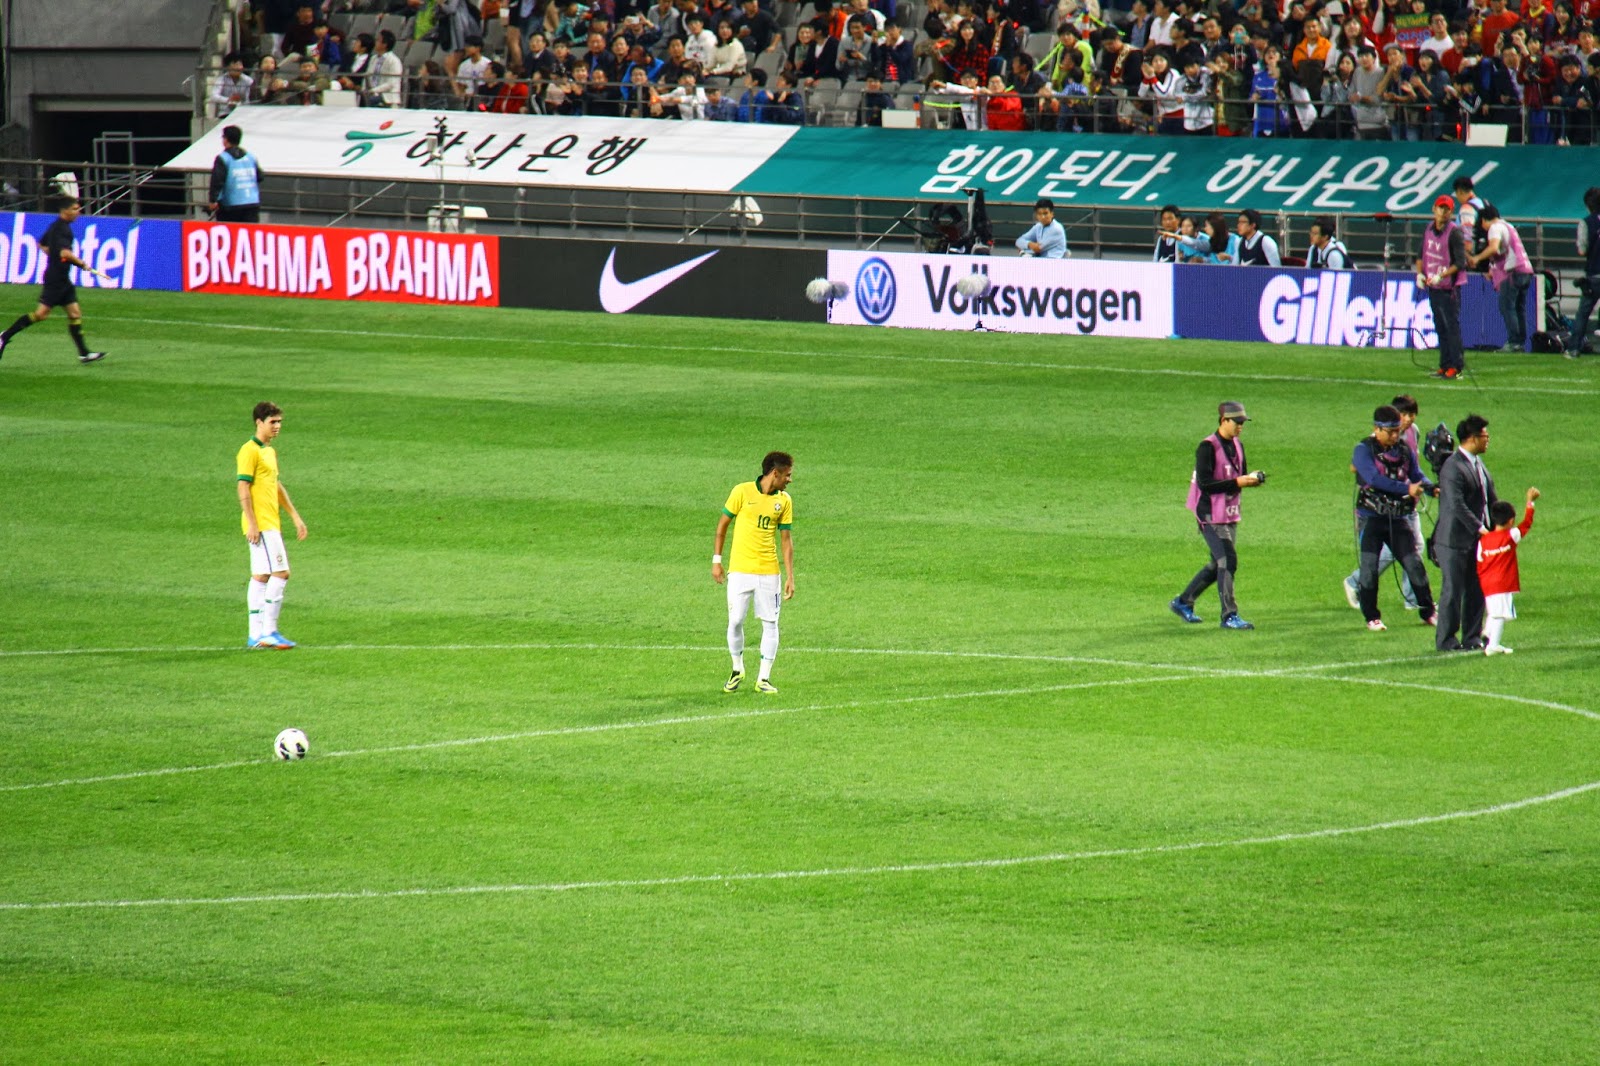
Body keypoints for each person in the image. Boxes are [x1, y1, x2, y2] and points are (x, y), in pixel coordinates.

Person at [1170, 401, 1264, 630]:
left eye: (1243, 423)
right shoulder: (1207, 447)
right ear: (1224, 420)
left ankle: (1183, 602)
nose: (1240, 426)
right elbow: (1205, 484)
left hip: (1229, 513)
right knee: (1228, 560)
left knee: (1218, 564)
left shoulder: (1238, 445)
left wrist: (1252, 479)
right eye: (1237, 422)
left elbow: (1239, 476)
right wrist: (1238, 482)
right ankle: (1229, 615)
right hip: (1210, 514)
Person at [711, 451, 796, 694]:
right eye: (787, 475)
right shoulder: (742, 491)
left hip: (769, 572)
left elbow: (786, 540)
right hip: (740, 570)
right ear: (775, 473)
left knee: (771, 623)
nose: (789, 480)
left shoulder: (784, 501)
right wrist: (717, 560)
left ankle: (763, 679)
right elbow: (722, 525)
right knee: (735, 620)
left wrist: (790, 576)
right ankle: (737, 668)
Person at [1351, 405, 1439, 631]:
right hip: (1371, 518)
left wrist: (1431, 488)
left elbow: (1416, 474)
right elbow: (1373, 479)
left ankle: (1428, 611)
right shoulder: (1363, 450)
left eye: (1397, 431)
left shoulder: (1404, 450)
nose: (1394, 436)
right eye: (1390, 432)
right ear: (1376, 428)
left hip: (1397, 517)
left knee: (1414, 564)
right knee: (1369, 568)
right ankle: (1372, 617)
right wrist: (1407, 488)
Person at [0, 196, 106, 365]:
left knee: (74, 314)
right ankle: (4, 336)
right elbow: (65, 253)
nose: (78, 212)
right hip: (55, 279)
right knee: (41, 314)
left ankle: (84, 354)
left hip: (63, 279)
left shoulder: (55, 227)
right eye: (74, 209)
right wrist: (82, 264)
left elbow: (42, 244)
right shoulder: (63, 229)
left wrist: (54, 254)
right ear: (65, 211)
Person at [237, 401, 309, 650]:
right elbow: (243, 488)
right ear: (259, 422)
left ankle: (255, 635)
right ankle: (269, 631)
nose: (277, 426)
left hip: (270, 521)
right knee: (281, 573)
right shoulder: (249, 451)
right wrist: (252, 523)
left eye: (279, 422)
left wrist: (295, 516)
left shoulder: (269, 452)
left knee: (261, 576)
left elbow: (275, 486)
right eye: (272, 422)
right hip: (261, 524)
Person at [1343, 394, 1424, 611]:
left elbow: (1415, 468)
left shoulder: (1413, 433)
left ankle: (1413, 600)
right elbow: (1356, 467)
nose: (1408, 419)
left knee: (1413, 548)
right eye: (1404, 414)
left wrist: (1428, 486)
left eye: (1412, 414)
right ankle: (1356, 581)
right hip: (1379, 508)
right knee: (1398, 551)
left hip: (1407, 504)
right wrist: (1404, 486)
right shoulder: (1374, 441)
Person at [1435, 413, 1498, 652]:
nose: (1487, 440)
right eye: (1485, 436)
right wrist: (1480, 528)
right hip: (1454, 540)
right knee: (1453, 590)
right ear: (1472, 438)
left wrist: (1500, 525)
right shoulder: (1453, 467)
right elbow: (1456, 505)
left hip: (1478, 540)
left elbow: (1489, 499)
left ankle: (1472, 637)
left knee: (1476, 588)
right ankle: (1446, 641)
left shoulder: (1478, 464)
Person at [1478, 488, 1540, 654]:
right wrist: (1530, 503)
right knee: (1500, 614)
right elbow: (1526, 524)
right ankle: (1493, 645)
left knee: (1494, 610)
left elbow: (1479, 562)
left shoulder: (1483, 540)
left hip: (1487, 582)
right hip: (1502, 582)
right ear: (1511, 521)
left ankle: (1487, 634)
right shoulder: (1510, 536)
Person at [1468, 204, 1535, 352]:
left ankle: (1514, 342)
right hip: (1526, 270)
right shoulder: (1508, 225)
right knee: (1519, 308)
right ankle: (1520, 342)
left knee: (1507, 306)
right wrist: (1492, 268)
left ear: (1483, 220)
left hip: (1513, 272)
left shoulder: (1495, 227)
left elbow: (1493, 247)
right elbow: (1503, 251)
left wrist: (1477, 258)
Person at [1416, 193, 1468, 379]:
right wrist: (1420, 273)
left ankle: (1456, 366)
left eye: (1447, 209)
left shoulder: (1454, 232)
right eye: (1441, 208)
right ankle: (1444, 364)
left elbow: (1460, 262)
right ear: (1434, 209)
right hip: (1434, 287)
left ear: (1451, 212)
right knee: (1440, 326)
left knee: (1451, 326)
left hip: (1449, 288)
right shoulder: (1428, 229)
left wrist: (1442, 275)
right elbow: (1421, 255)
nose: (1443, 212)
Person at [207, 124, 263, 224]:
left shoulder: (223, 158)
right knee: (250, 232)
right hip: (252, 203)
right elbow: (260, 177)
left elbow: (217, 181)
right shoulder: (250, 157)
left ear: (225, 140)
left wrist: (213, 201)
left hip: (231, 205)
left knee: (231, 232)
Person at [1568, 186, 1600, 358]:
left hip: (1594, 274)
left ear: (1588, 205)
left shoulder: (1586, 222)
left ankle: (1573, 348)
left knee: (1583, 314)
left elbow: (1582, 249)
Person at [211, 52, 255, 117]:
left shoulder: (248, 80)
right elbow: (214, 96)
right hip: (225, 113)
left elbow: (248, 99)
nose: (238, 67)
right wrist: (228, 100)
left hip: (242, 113)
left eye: (240, 64)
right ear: (228, 67)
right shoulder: (222, 79)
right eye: (235, 64)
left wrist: (240, 104)